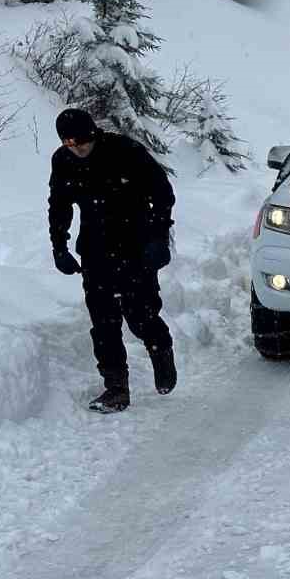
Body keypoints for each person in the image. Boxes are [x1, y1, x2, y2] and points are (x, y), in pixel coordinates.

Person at [48, 107, 177, 414]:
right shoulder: (63, 161)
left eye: (81, 142)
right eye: (69, 144)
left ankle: (161, 350)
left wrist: (159, 237)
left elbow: (162, 193)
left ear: (93, 134)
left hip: (136, 245)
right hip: (95, 248)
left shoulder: (126, 151)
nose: (76, 149)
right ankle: (116, 388)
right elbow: (59, 204)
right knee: (103, 320)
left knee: (140, 314)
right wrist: (59, 246)